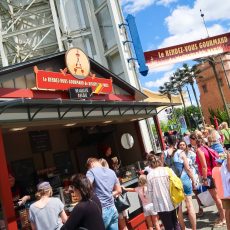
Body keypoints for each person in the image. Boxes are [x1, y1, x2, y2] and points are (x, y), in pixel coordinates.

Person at [189, 132, 226, 227]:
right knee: (218, 197)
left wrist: (204, 179)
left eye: (191, 139)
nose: (189, 141)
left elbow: (204, 166)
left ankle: (223, 218)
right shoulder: (205, 147)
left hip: (209, 175)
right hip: (213, 173)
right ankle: (223, 216)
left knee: (216, 198)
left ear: (195, 140)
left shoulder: (199, 151)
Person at [147, 153, 181, 230]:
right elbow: (177, 183)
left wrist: (152, 202)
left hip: (161, 205)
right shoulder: (168, 170)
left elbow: (150, 194)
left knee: (168, 226)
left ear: (150, 164)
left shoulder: (150, 176)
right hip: (173, 200)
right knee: (175, 222)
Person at [86, 158, 122, 230]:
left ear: (91, 164)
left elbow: (86, 188)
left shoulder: (91, 172)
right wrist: (108, 195)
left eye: (88, 168)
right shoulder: (111, 172)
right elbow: (119, 190)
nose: (88, 169)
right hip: (113, 209)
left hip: (101, 210)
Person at [99, 158, 128, 230]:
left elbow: (116, 189)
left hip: (115, 203)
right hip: (116, 203)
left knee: (122, 226)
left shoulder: (103, 177)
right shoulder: (111, 173)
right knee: (122, 226)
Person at [176, 140, 197, 230]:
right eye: (180, 145)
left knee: (181, 206)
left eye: (183, 145)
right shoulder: (182, 154)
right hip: (184, 179)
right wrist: (193, 180)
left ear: (186, 146)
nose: (182, 146)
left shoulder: (170, 155)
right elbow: (188, 169)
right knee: (188, 204)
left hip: (176, 181)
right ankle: (192, 228)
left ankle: (186, 228)